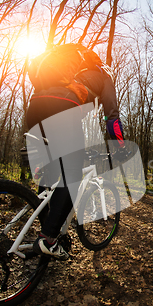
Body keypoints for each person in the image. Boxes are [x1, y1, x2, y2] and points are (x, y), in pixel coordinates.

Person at [25, 43, 125, 259]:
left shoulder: (72, 73)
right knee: (73, 177)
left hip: (34, 108)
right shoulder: (103, 75)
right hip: (61, 108)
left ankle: (44, 231)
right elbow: (112, 114)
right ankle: (49, 238)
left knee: (50, 177)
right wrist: (119, 146)